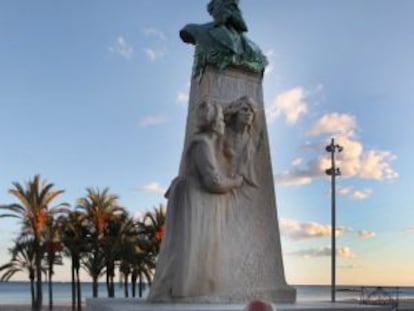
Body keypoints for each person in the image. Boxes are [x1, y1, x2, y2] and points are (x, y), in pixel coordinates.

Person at [148, 100, 243, 302]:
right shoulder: (202, 144)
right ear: (214, 124)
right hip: (193, 200)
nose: (223, 124)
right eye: (221, 120)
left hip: (192, 197)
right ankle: (180, 290)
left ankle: (185, 289)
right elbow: (213, 181)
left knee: (186, 246)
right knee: (187, 246)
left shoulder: (204, 143)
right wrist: (235, 182)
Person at [179, 0, 268, 78]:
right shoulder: (195, 29)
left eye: (232, 7)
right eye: (222, 4)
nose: (228, 10)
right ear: (213, 9)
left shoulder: (253, 48)